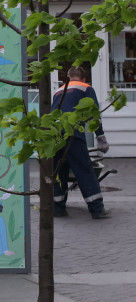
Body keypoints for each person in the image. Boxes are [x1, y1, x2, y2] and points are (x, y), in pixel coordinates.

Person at [52, 65, 109, 218]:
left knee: (58, 172)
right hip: (73, 134)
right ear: (84, 78)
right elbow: (94, 113)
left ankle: (58, 208)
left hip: (55, 136)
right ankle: (97, 210)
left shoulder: (59, 90)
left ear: (68, 77)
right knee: (84, 170)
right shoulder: (86, 88)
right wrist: (100, 137)